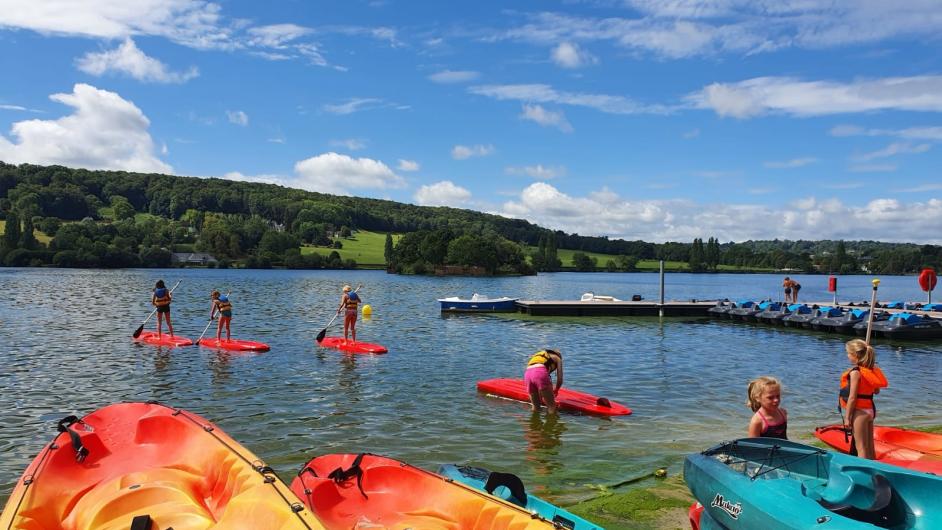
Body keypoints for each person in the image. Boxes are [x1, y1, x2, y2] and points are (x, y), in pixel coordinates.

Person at [840, 339, 889, 459]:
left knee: (860, 448)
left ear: (855, 355)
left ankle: (865, 475)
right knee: (869, 447)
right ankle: (874, 472)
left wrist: (847, 417)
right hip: (870, 411)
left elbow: (852, 398)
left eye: (848, 353)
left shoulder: (855, 373)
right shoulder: (871, 371)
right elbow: (876, 391)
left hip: (859, 412)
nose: (847, 356)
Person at [525, 349, 564, 414]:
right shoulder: (557, 358)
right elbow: (560, 379)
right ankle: (551, 423)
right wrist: (556, 390)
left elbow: (535, 376)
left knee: (536, 406)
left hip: (527, 373)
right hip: (540, 372)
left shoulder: (539, 355)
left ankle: (534, 423)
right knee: (552, 407)